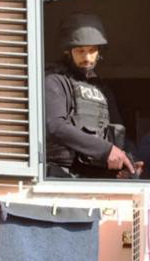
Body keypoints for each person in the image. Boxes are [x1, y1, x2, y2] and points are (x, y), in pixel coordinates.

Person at [45, 13, 138, 178]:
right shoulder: (54, 81)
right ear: (68, 51)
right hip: (61, 176)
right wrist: (106, 150)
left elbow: (118, 132)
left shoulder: (102, 89)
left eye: (92, 50)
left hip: (96, 178)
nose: (87, 57)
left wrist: (129, 160)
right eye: (80, 51)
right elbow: (55, 126)